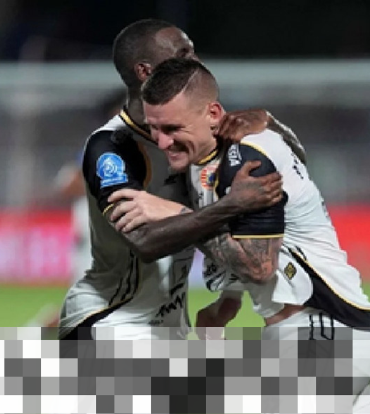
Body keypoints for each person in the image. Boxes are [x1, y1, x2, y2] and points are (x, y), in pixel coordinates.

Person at [111, 57, 370, 411]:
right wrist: (227, 301)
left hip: (323, 331)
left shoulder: (248, 158)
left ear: (212, 114)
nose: (163, 141)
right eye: (154, 128)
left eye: (172, 128)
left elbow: (259, 267)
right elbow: (246, 232)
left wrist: (177, 214)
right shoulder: (206, 164)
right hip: (320, 334)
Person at [58, 18, 297, 342]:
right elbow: (144, 241)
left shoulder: (198, 133)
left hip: (165, 326)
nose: (196, 61)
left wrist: (267, 121)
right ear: (145, 71)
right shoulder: (112, 147)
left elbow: (293, 161)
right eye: (183, 53)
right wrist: (231, 205)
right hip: (112, 321)